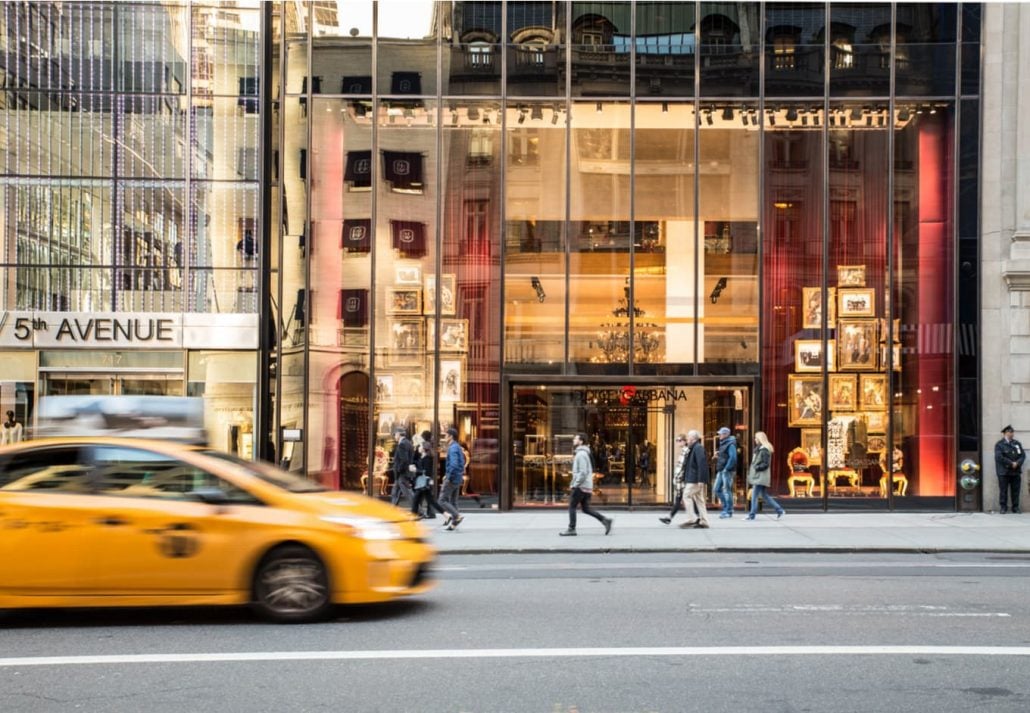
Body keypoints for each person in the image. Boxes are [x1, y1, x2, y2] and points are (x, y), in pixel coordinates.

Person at [559, 433, 613, 536]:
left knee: (572, 506)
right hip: (586, 485)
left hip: (581, 486)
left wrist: (575, 484)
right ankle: (605, 520)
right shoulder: (582, 453)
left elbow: (583, 472)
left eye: (576, 438)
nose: (574, 440)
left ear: (581, 441)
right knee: (586, 508)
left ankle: (571, 529)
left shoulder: (581, 454)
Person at [745, 431, 785, 521]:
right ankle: (779, 510)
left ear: (760, 439)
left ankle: (752, 515)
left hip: (760, 476)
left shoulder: (764, 450)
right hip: (760, 476)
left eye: (756, 438)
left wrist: (756, 467)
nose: (755, 440)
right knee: (764, 495)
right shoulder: (760, 449)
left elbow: (765, 464)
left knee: (754, 496)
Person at [678, 430, 710, 529]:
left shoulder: (698, 448)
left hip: (695, 479)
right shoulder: (693, 448)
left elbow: (702, 464)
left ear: (693, 438)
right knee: (699, 499)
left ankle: (691, 518)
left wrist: (701, 479)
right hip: (694, 478)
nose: (687, 439)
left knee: (686, 495)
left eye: (689, 437)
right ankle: (704, 521)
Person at [659, 433, 692, 525]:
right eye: (677, 440)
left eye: (679, 440)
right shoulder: (684, 451)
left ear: (685, 441)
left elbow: (683, 467)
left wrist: (679, 477)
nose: (677, 442)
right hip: (680, 479)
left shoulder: (686, 451)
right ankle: (670, 517)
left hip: (682, 480)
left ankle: (696, 517)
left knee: (684, 498)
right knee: (680, 498)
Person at [994, 425, 1025, 514]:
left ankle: (1015, 507)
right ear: (1005, 433)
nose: (1011, 434)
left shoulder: (1017, 443)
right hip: (1004, 472)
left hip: (1015, 471)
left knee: (1016, 490)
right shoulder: (999, 444)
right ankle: (1003, 507)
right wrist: (1011, 463)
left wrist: (1017, 463)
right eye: (1009, 432)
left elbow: (1022, 455)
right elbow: (999, 457)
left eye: (1012, 432)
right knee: (1003, 491)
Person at [440, 427, 466, 530]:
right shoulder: (457, 447)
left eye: (446, 435)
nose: (444, 437)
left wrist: (448, 476)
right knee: (453, 501)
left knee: (442, 500)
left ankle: (457, 516)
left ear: (451, 436)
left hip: (452, 478)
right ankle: (454, 524)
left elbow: (454, 464)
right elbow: (462, 463)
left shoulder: (453, 448)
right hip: (457, 478)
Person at [713, 426, 738, 519]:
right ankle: (726, 508)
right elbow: (727, 456)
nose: (719, 435)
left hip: (726, 471)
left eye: (721, 434)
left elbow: (733, 458)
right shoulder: (724, 443)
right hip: (721, 470)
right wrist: (719, 454)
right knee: (716, 489)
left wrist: (726, 468)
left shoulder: (730, 444)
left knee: (727, 490)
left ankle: (729, 510)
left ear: (726, 434)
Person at [389, 426, 417, 508]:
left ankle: (419, 511)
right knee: (395, 492)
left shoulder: (402, 444)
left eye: (395, 434)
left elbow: (404, 460)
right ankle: (392, 509)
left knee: (408, 493)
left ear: (398, 434)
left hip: (402, 473)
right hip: (402, 473)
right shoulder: (408, 443)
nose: (394, 436)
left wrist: (398, 469)